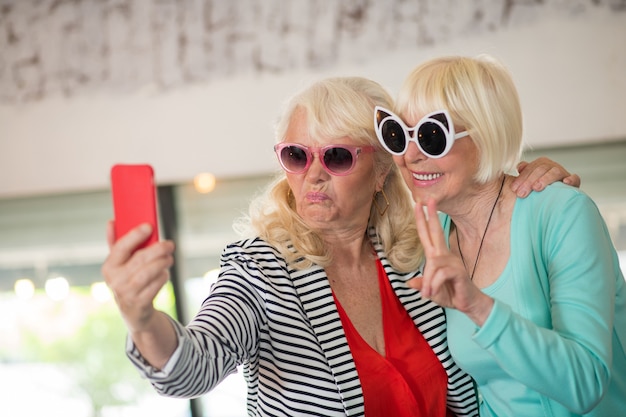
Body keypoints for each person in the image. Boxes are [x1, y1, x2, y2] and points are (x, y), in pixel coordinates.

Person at [102, 76, 578, 417]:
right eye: (295, 155)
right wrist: (142, 320)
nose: (312, 175)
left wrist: (531, 187)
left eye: (336, 155)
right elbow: (193, 367)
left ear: (381, 172)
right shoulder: (259, 268)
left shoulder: (422, 249)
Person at [374, 54, 626, 417]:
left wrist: (478, 306)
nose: (409, 155)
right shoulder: (432, 239)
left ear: (486, 133)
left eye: (431, 136)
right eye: (397, 134)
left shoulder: (562, 213)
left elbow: (586, 382)